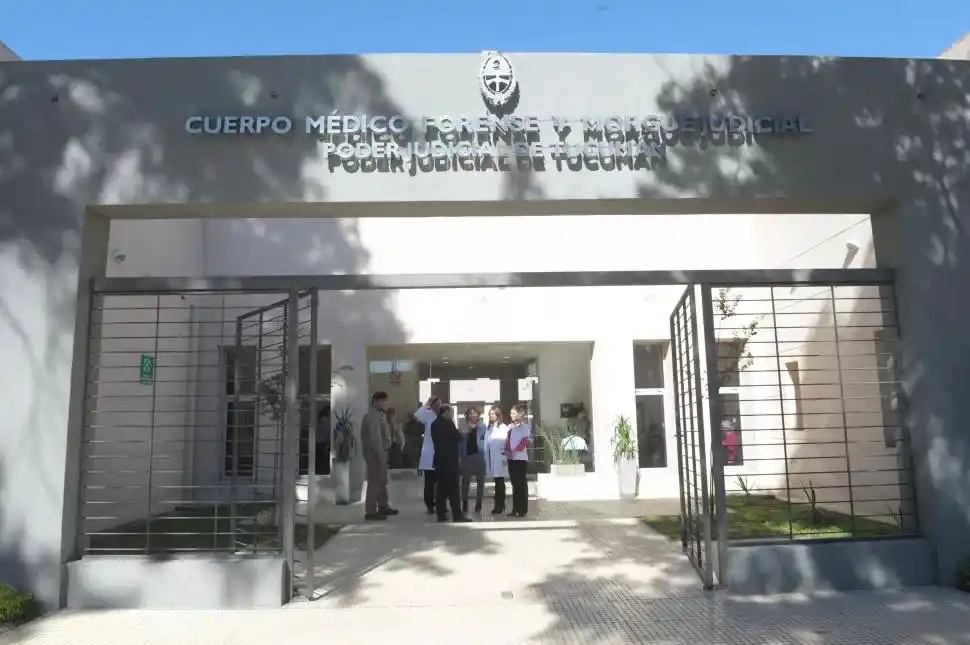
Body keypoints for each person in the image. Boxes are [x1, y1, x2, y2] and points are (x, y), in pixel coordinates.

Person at [361, 391, 397, 520]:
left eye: (385, 401)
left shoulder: (380, 415)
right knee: (375, 482)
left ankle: (383, 506)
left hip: (381, 452)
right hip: (375, 454)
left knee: (382, 481)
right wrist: (380, 454)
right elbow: (375, 438)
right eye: (381, 401)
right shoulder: (372, 416)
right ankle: (371, 511)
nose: (384, 403)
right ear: (375, 402)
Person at [430, 405, 470, 523]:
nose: (452, 414)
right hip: (450, 460)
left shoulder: (434, 424)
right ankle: (457, 515)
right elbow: (457, 438)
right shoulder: (448, 424)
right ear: (446, 412)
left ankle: (441, 514)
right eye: (451, 412)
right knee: (454, 489)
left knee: (441, 489)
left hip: (439, 460)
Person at [505, 403, 532, 518]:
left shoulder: (524, 427)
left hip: (520, 458)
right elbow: (507, 441)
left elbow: (524, 442)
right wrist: (507, 452)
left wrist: (515, 452)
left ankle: (522, 510)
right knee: (514, 484)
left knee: (521, 484)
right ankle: (515, 509)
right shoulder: (510, 427)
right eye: (511, 413)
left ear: (520, 414)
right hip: (511, 459)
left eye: (514, 413)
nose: (512, 415)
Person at [416, 397, 441, 514]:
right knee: (429, 482)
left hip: (440, 454)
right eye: (435, 404)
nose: (438, 407)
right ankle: (429, 504)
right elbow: (417, 415)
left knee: (440, 482)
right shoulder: (428, 414)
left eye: (439, 404)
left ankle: (439, 503)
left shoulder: (442, 415)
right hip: (429, 453)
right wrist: (426, 404)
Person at [460, 407, 487, 514]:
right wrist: (460, 456)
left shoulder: (483, 426)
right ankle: (465, 501)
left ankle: (479, 502)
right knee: (465, 481)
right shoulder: (463, 426)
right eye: (470, 413)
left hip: (480, 455)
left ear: (478, 415)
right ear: (467, 415)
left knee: (480, 481)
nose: (473, 415)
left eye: (475, 413)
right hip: (467, 456)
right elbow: (460, 443)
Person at [484, 406, 510, 515]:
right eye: (490, 414)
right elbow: (487, 443)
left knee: (500, 482)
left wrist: (506, 457)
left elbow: (507, 442)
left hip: (501, 457)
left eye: (493, 413)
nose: (491, 415)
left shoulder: (503, 427)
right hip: (492, 457)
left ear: (498, 415)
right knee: (496, 481)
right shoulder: (489, 428)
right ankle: (500, 504)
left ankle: (499, 505)